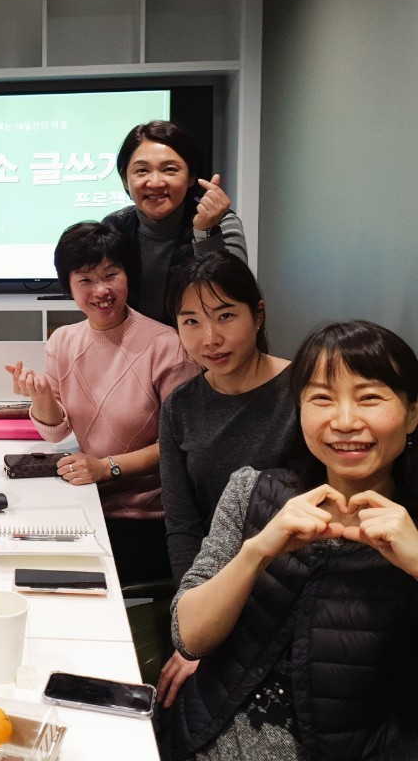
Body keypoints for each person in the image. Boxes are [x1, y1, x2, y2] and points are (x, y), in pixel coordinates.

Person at [159, 320, 418, 760]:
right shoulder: (251, 491)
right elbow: (190, 639)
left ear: (412, 413)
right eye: (322, 398)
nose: (345, 421)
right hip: (198, 737)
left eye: (370, 397)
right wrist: (257, 552)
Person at [6, 221, 198, 584]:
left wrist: (106, 468)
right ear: (68, 286)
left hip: (146, 516)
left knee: (51, 577)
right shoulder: (63, 341)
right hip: (85, 500)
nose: (101, 290)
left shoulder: (167, 345)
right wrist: (42, 396)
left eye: (111, 275)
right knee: (13, 553)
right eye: (86, 279)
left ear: (128, 276)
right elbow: (55, 432)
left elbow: (182, 445)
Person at [156, 252, 294, 708]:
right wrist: (193, 627)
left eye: (225, 316)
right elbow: (182, 525)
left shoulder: (305, 392)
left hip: (289, 598)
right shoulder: (180, 406)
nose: (210, 338)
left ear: (258, 315)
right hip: (212, 592)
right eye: (191, 322)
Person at [102, 121, 247, 325]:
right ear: (126, 180)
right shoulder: (114, 226)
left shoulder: (221, 222)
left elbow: (233, 295)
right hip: (132, 342)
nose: (155, 182)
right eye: (141, 170)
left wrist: (205, 232)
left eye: (169, 169)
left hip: (201, 340)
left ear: (191, 177)